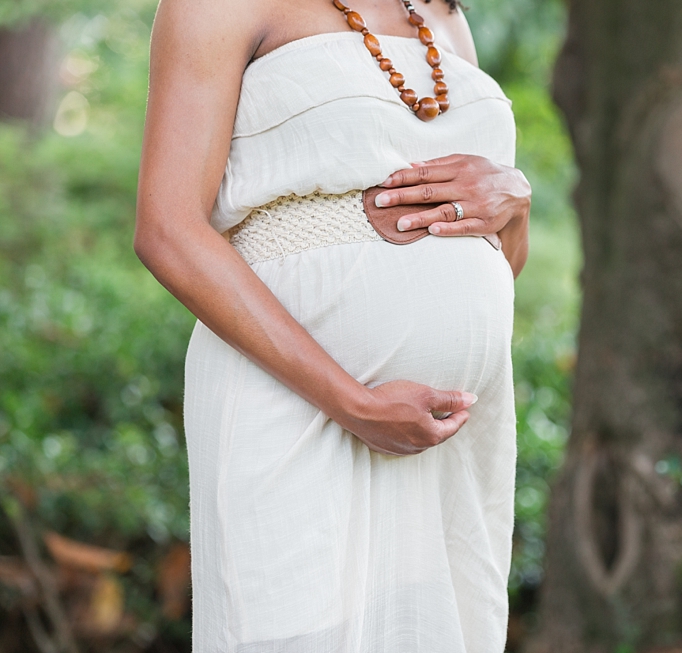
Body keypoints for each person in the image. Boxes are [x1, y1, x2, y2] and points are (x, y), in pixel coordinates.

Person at [134, 0, 530, 650]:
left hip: (444, 435)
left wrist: (514, 201)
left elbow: (497, 264)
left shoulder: (444, 17)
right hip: (290, 399)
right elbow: (167, 230)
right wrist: (355, 402)